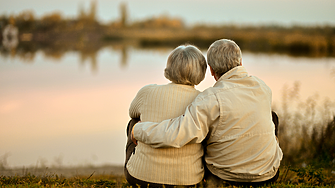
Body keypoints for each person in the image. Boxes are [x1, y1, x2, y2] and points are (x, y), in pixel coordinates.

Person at [132, 39, 283, 187]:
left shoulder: (210, 98)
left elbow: (178, 133)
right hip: (268, 175)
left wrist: (138, 129)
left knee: (204, 128)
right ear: (241, 62)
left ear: (210, 70)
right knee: (272, 117)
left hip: (224, 176)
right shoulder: (263, 88)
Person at [125, 44, 207, 187]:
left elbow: (132, 112)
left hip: (140, 179)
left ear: (169, 68)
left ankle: (141, 163)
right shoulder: (204, 100)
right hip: (188, 182)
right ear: (202, 71)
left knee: (134, 122)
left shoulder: (147, 92)